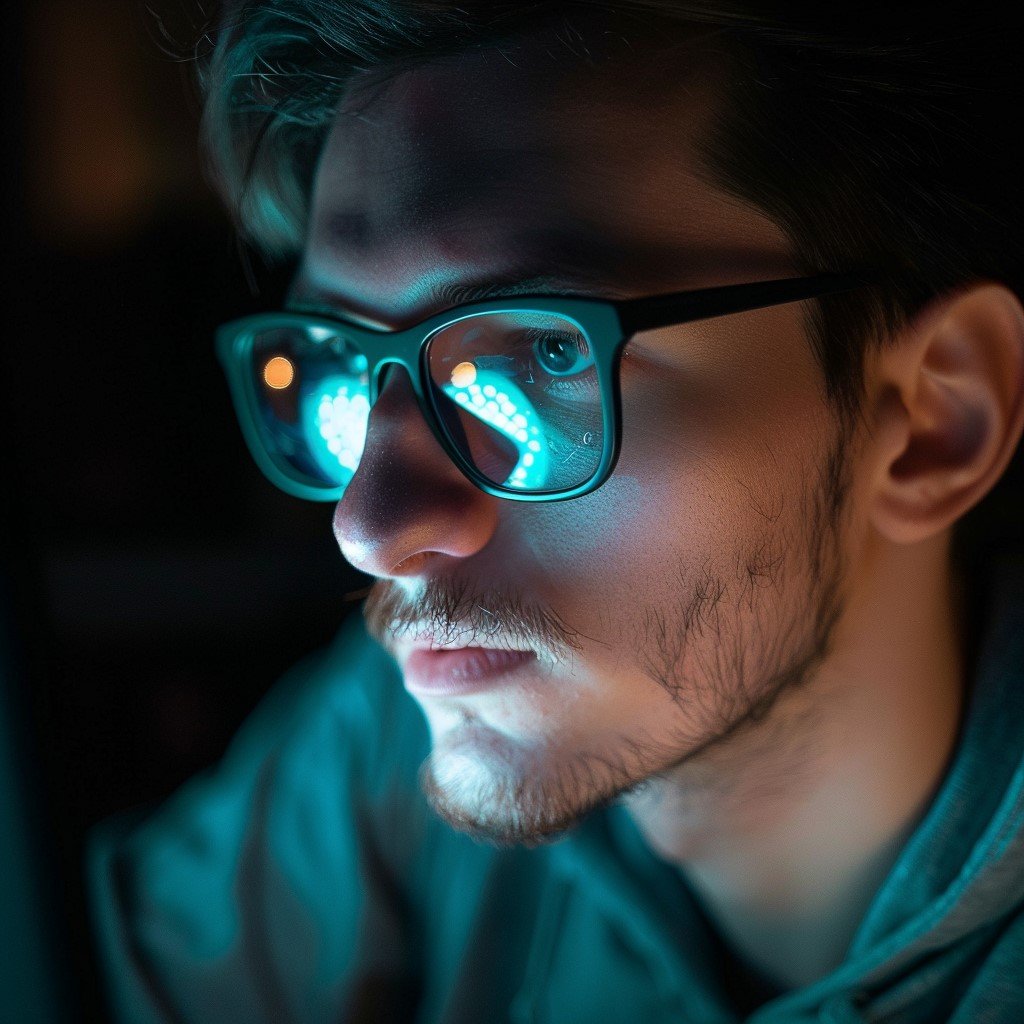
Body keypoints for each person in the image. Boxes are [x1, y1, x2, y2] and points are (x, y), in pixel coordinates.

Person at [88, 3, 1024, 1022]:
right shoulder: (407, 724)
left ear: (933, 419)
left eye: (544, 357)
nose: (369, 526)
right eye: (345, 374)